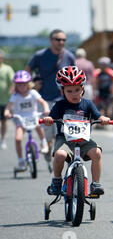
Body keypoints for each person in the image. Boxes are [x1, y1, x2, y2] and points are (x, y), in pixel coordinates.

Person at [42, 66, 111, 196]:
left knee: (97, 153)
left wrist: (103, 118)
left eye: (77, 90)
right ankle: (56, 181)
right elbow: (51, 116)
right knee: (60, 155)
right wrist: (48, 119)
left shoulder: (88, 104)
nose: (74, 94)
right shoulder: (60, 105)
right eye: (69, 91)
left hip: (83, 140)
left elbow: (97, 115)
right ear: (62, 91)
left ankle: (96, 183)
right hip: (65, 139)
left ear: (83, 89)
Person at [26, 29, 76, 158]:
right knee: (48, 130)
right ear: (51, 40)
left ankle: (60, 152)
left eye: (63, 40)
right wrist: (32, 84)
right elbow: (27, 71)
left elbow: (74, 75)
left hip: (63, 99)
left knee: (62, 129)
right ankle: (48, 146)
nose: (61, 42)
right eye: (58, 39)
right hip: (44, 99)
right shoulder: (40, 55)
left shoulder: (69, 56)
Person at [4, 70, 50, 170]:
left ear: (28, 84)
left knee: (38, 126)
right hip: (21, 119)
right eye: (19, 85)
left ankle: (43, 142)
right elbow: (8, 107)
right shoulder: (15, 96)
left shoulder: (33, 93)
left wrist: (46, 109)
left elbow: (43, 102)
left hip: (33, 116)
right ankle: (21, 160)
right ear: (16, 85)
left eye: (24, 84)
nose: (22, 87)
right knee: (18, 138)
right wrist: (7, 112)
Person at [0, 50, 15, 149]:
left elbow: (13, 81)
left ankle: (3, 139)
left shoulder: (7, 68)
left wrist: (13, 89)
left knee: (3, 121)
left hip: (4, 100)